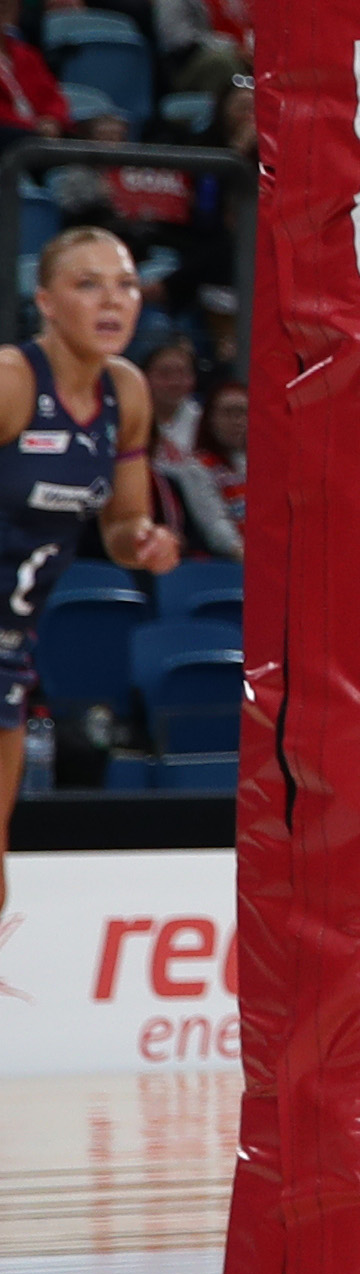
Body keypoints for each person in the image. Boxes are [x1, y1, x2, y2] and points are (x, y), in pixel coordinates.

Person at [0, 227, 178, 922]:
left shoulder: (126, 392)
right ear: (45, 300)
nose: (113, 298)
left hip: (12, 649)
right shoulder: (14, 380)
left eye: (127, 282)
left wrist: (144, 540)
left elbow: (120, 526)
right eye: (88, 282)